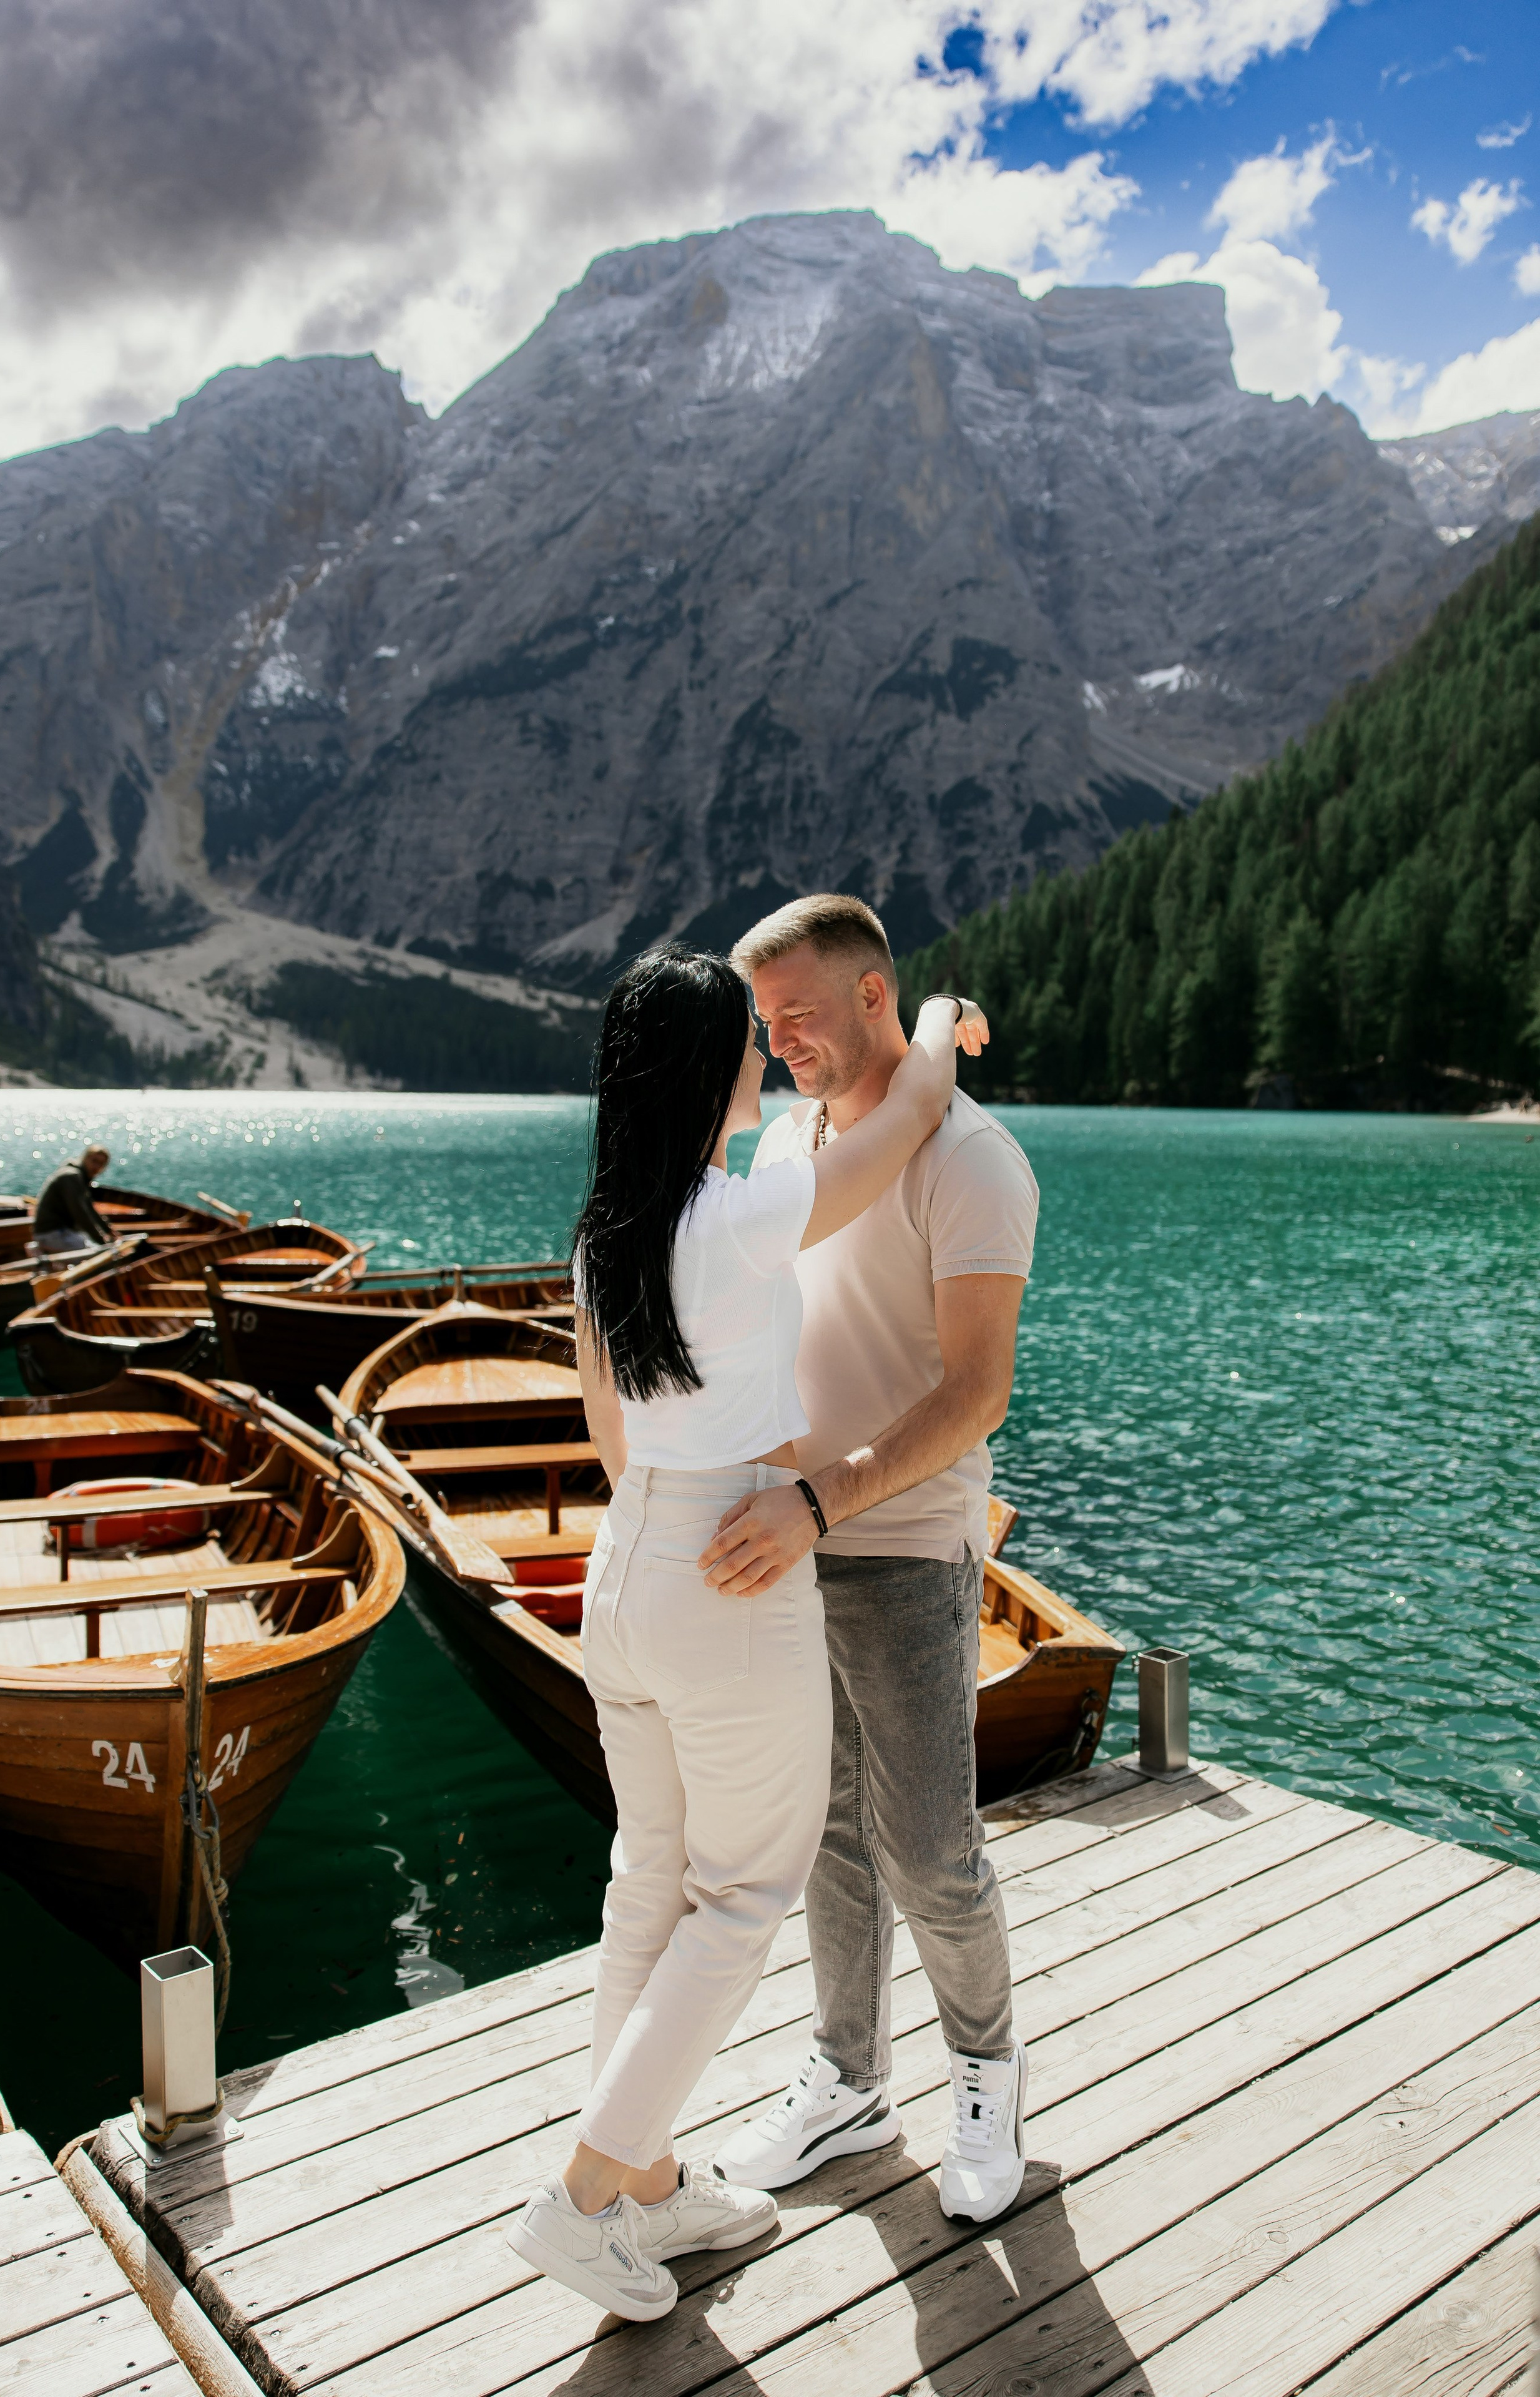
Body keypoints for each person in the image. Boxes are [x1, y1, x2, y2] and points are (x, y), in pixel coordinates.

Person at [506, 944, 987, 2323]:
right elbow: (901, 1121)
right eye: (745, 1041)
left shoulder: (607, 1229)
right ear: (702, 1070)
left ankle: (650, 2187)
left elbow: (609, 1427)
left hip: (629, 1562)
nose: (764, 1058)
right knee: (741, 1895)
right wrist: (940, 1019)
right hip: (728, 1563)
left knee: (647, 1882)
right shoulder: (746, 1214)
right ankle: (586, 2195)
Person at [701, 894, 1039, 2227]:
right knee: (828, 1837)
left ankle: (984, 2074)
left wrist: (817, 1505)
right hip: (791, 1542)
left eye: (799, 1014)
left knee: (928, 1847)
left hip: (895, 1543)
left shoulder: (973, 1159)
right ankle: (845, 2080)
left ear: (870, 998)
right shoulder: (794, 1136)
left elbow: (975, 1396)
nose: (779, 1041)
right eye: (762, 1020)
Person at [31, 1145, 112, 1257]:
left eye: (101, 1164)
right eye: (94, 1161)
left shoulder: (78, 1177)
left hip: (60, 1233)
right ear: (85, 1158)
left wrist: (108, 1231)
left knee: (97, 1249)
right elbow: (80, 1213)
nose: (97, 1166)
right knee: (100, 1257)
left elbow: (89, 1209)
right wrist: (104, 1243)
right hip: (53, 1234)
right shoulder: (71, 1177)